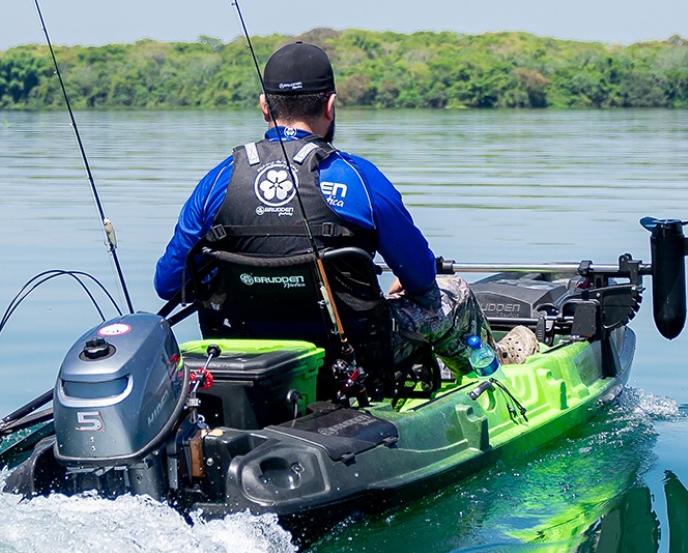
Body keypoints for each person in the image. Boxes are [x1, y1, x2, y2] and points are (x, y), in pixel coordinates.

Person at [153, 41, 495, 382]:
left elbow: (168, 284)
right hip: (355, 359)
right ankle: (487, 389)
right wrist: (405, 281)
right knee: (455, 292)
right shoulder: (361, 179)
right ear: (330, 106)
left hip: (245, 359)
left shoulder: (216, 183)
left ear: (263, 107)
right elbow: (421, 279)